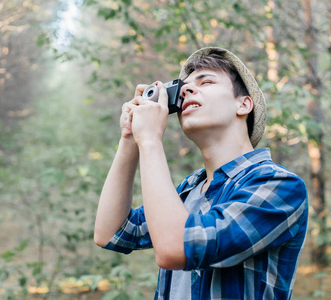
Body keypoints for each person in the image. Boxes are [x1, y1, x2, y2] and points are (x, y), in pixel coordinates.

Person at [94, 47, 308, 300]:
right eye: (183, 87)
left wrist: (151, 140)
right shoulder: (189, 190)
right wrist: (129, 138)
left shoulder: (279, 186)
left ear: (243, 104)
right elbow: (112, 233)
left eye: (206, 81)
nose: (186, 90)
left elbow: (175, 249)